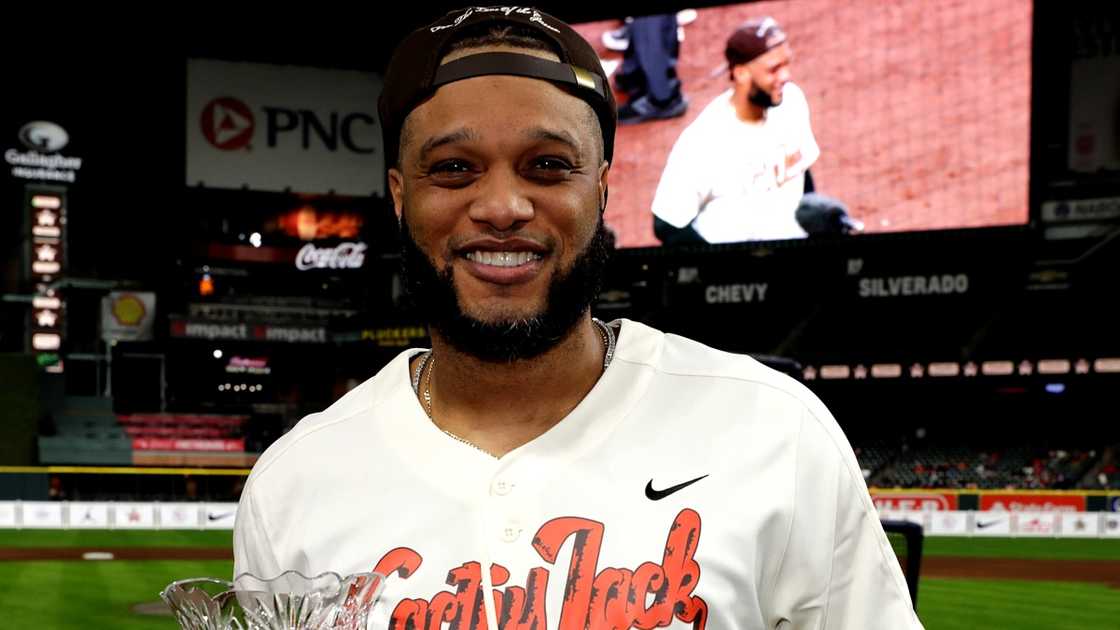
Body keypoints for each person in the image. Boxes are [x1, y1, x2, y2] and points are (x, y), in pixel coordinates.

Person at [233, 7, 923, 629]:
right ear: (399, 196)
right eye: (453, 169)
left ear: (600, 190)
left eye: (547, 165)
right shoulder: (295, 481)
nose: (502, 206)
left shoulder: (777, 432)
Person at [651, 17, 822, 244]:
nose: (785, 76)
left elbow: (801, 169)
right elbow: (666, 223)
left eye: (786, 64)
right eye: (773, 69)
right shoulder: (703, 141)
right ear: (741, 73)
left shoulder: (791, 101)